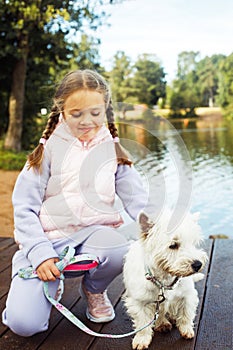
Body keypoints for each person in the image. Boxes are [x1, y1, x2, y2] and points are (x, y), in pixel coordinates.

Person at [2, 69, 150, 337]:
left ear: (105, 110)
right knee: (24, 325)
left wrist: (158, 227)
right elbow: (24, 208)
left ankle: (94, 290)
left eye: (95, 113)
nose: (87, 121)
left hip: (90, 239)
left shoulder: (112, 150)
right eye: (76, 114)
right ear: (61, 111)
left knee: (118, 247)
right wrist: (39, 252)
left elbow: (138, 199)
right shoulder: (46, 152)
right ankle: (47, 283)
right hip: (46, 242)